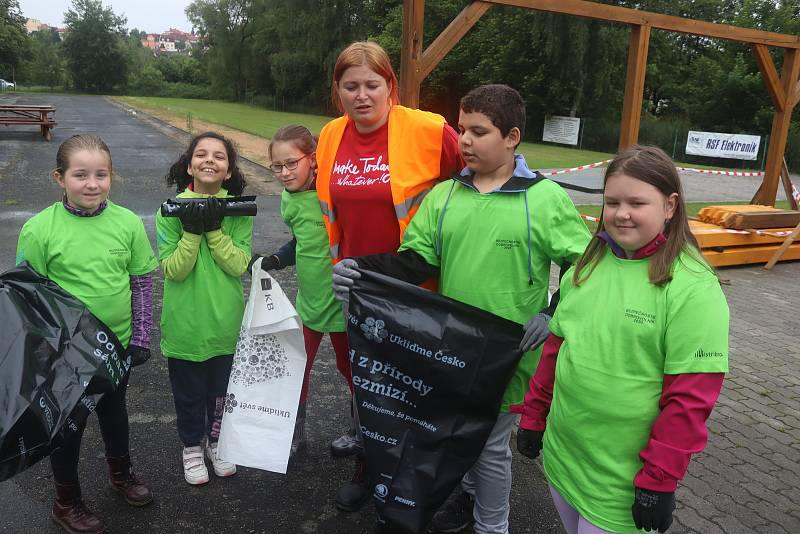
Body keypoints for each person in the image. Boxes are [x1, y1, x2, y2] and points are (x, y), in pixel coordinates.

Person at [332, 84, 591, 534]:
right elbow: (414, 262)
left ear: (511, 137)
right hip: (450, 349)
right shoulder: (445, 195)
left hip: (506, 354)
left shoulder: (544, 199)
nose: (465, 140)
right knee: (459, 434)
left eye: (479, 131)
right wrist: (359, 268)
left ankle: (493, 527)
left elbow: (584, 267)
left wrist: (551, 313)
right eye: (461, 129)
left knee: (489, 448)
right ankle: (470, 502)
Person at [513, 145, 729, 534]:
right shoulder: (588, 263)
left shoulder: (693, 287)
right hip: (564, 458)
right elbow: (556, 350)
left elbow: (690, 397)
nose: (621, 213)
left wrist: (659, 480)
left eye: (636, 202)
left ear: (670, 206)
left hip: (623, 484)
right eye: (611, 202)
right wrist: (534, 416)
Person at [315, 40, 463, 512]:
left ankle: (421, 479)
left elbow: (478, 176)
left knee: (416, 385)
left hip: (416, 285)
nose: (362, 96)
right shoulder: (330, 135)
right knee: (366, 381)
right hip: (357, 285)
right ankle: (371, 465)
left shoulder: (429, 130)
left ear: (390, 87)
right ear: (337, 91)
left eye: (372, 85)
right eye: (350, 86)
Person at [16, 134, 158, 534]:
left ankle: (121, 475)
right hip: (66, 355)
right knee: (67, 429)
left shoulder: (128, 222)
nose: (92, 184)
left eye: (101, 174)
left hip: (116, 348)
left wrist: (141, 338)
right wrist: (43, 352)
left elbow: (141, 282)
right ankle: (66, 501)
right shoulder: (39, 229)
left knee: (115, 416)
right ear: (59, 178)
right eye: (80, 175)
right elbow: (28, 296)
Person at [157, 131, 253, 486]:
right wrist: (192, 231)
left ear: (228, 171)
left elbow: (238, 265)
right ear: (189, 165)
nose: (210, 160)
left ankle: (217, 442)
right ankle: (191, 448)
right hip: (185, 325)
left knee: (221, 393)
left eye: (219, 156)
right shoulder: (171, 209)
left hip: (225, 323)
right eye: (201, 154)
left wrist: (214, 229)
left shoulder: (238, 210)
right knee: (190, 395)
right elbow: (174, 270)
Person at [249, 124, 351, 457]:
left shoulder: (333, 193)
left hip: (341, 303)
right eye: (277, 166)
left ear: (313, 158)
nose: (284, 172)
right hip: (309, 302)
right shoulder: (289, 200)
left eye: (292, 163)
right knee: (295, 367)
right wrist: (276, 259)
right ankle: (293, 432)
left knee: (350, 368)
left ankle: (362, 430)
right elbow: (302, 241)